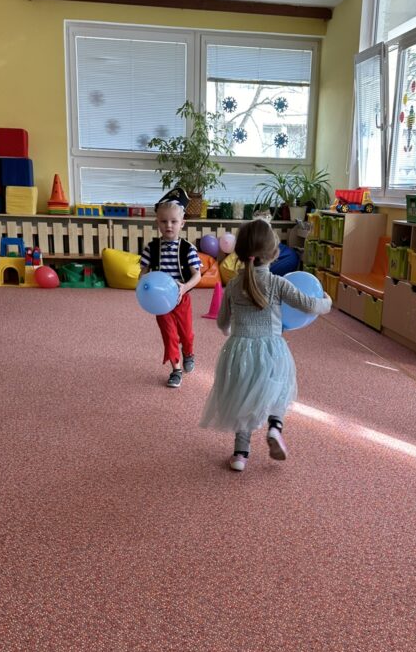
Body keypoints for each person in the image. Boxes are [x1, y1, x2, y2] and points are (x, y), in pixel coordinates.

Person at [200, 218, 332, 471]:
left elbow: (222, 322)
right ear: (274, 253)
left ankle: (240, 455)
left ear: (239, 253)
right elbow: (310, 305)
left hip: (240, 351)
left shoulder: (233, 285)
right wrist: (327, 302)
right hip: (271, 349)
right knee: (279, 389)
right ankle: (275, 427)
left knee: (244, 397)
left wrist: (230, 332)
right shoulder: (277, 283)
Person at [140, 187, 202, 388]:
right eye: (164, 221)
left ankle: (188, 353)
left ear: (182, 223)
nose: (168, 225)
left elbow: (197, 275)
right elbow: (143, 274)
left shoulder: (188, 249)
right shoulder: (151, 248)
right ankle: (176, 370)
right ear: (157, 222)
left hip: (181, 298)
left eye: (174, 221)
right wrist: (145, 285)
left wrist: (184, 287)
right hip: (160, 302)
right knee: (169, 335)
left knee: (186, 334)